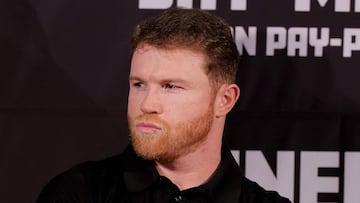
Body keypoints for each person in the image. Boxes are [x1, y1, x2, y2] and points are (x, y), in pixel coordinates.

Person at [37, 8, 290, 203]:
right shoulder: (78, 193)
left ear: (224, 100)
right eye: (139, 84)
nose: (147, 104)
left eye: (170, 86)